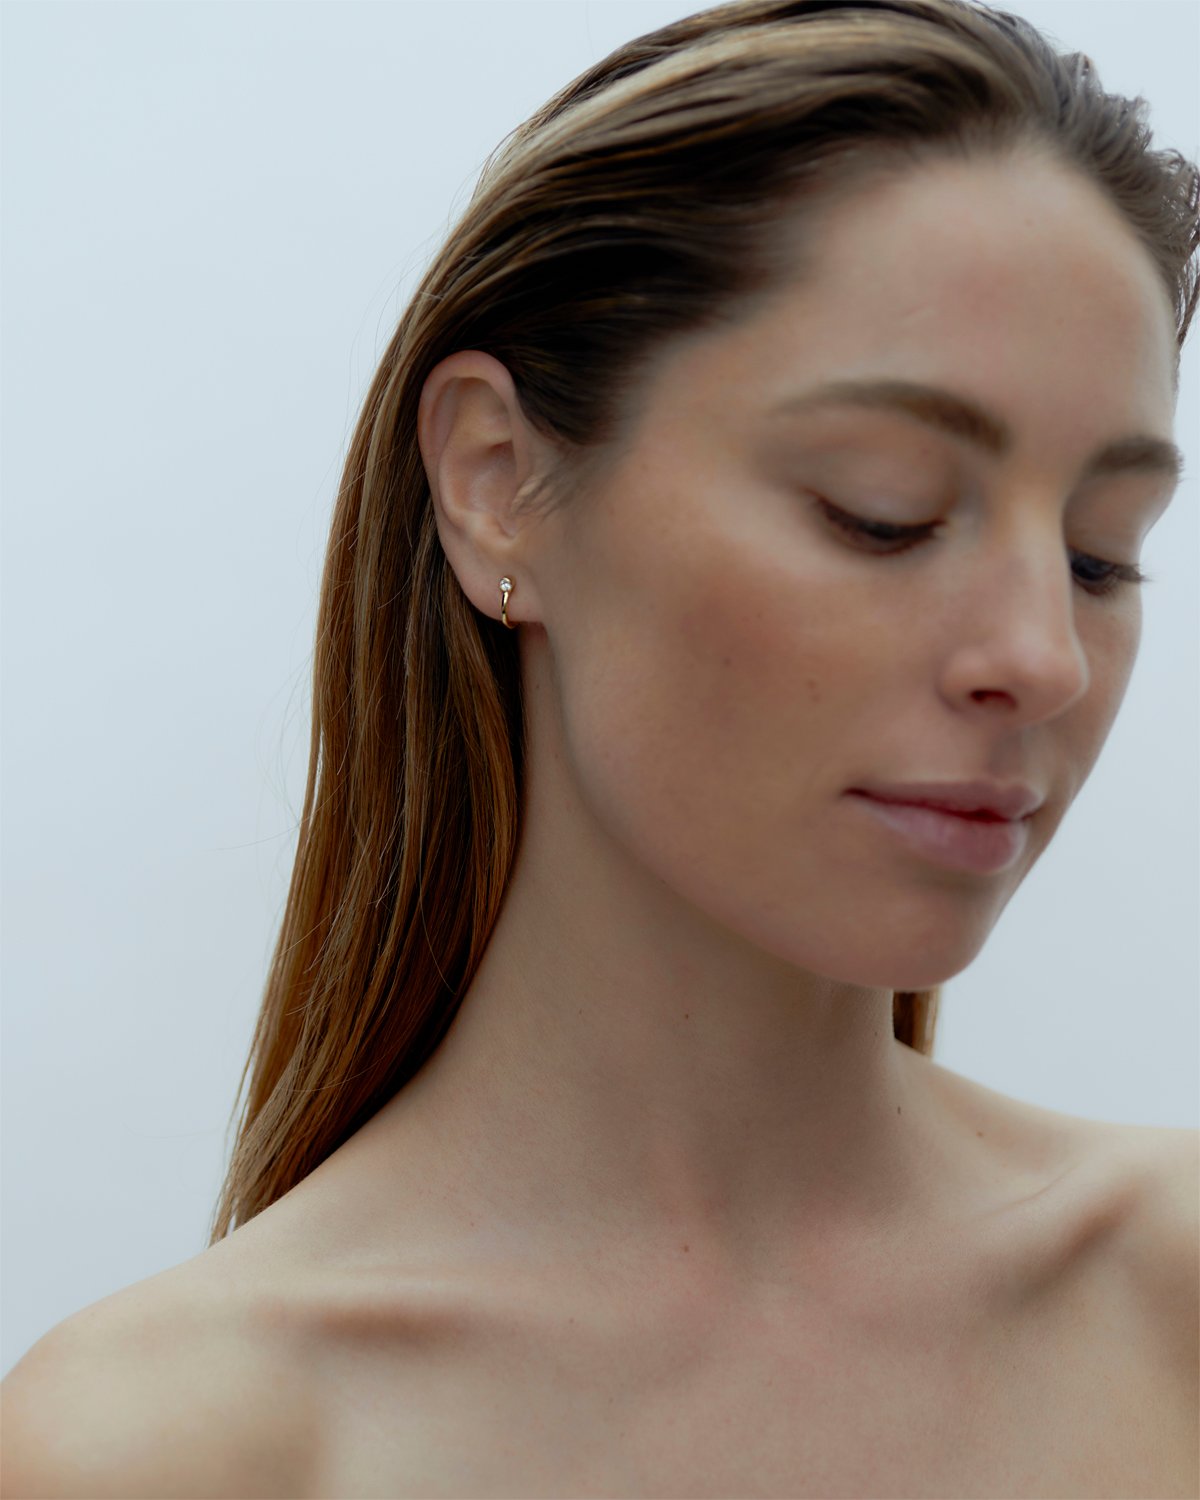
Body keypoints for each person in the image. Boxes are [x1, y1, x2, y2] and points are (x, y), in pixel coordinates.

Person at [4, 0, 1197, 1495]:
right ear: (497, 481)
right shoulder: (175, 1450)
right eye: (880, 508)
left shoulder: (1177, 1300)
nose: (1042, 657)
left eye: (1101, 554)